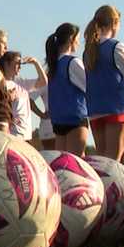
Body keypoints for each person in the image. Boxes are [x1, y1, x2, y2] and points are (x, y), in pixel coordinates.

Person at [84, 5, 124, 161]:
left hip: (95, 110)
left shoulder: (88, 51)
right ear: (114, 23)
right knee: (113, 163)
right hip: (116, 108)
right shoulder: (116, 46)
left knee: (102, 161)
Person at [44, 22, 88, 155]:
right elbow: (89, 88)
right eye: (78, 39)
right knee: (77, 164)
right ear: (71, 39)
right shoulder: (72, 62)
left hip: (58, 120)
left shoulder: (52, 66)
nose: (79, 43)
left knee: (63, 166)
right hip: (75, 118)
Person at [0, 51, 48, 142]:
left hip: (26, 135)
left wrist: (35, 63)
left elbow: (43, 81)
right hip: (12, 134)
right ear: (6, 63)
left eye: (20, 64)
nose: (20, 67)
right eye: (17, 63)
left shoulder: (20, 82)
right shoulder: (0, 83)